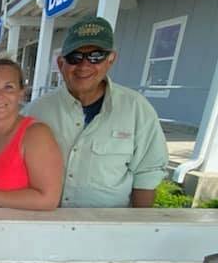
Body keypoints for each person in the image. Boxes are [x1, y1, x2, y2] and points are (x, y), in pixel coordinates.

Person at [26, 16, 168, 208]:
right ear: (61, 64)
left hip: (108, 230)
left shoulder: (137, 109)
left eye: (96, 56)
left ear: (110, 60)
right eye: (75, 57)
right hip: (47, 226)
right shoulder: (35, 112)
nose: (84, 66)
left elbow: (147, 173)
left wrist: (138, 232)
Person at [0, 58, 63, 209]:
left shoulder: (36, 135)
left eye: (8, 87)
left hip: (17, 232)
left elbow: (48, 199)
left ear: (21, 94)